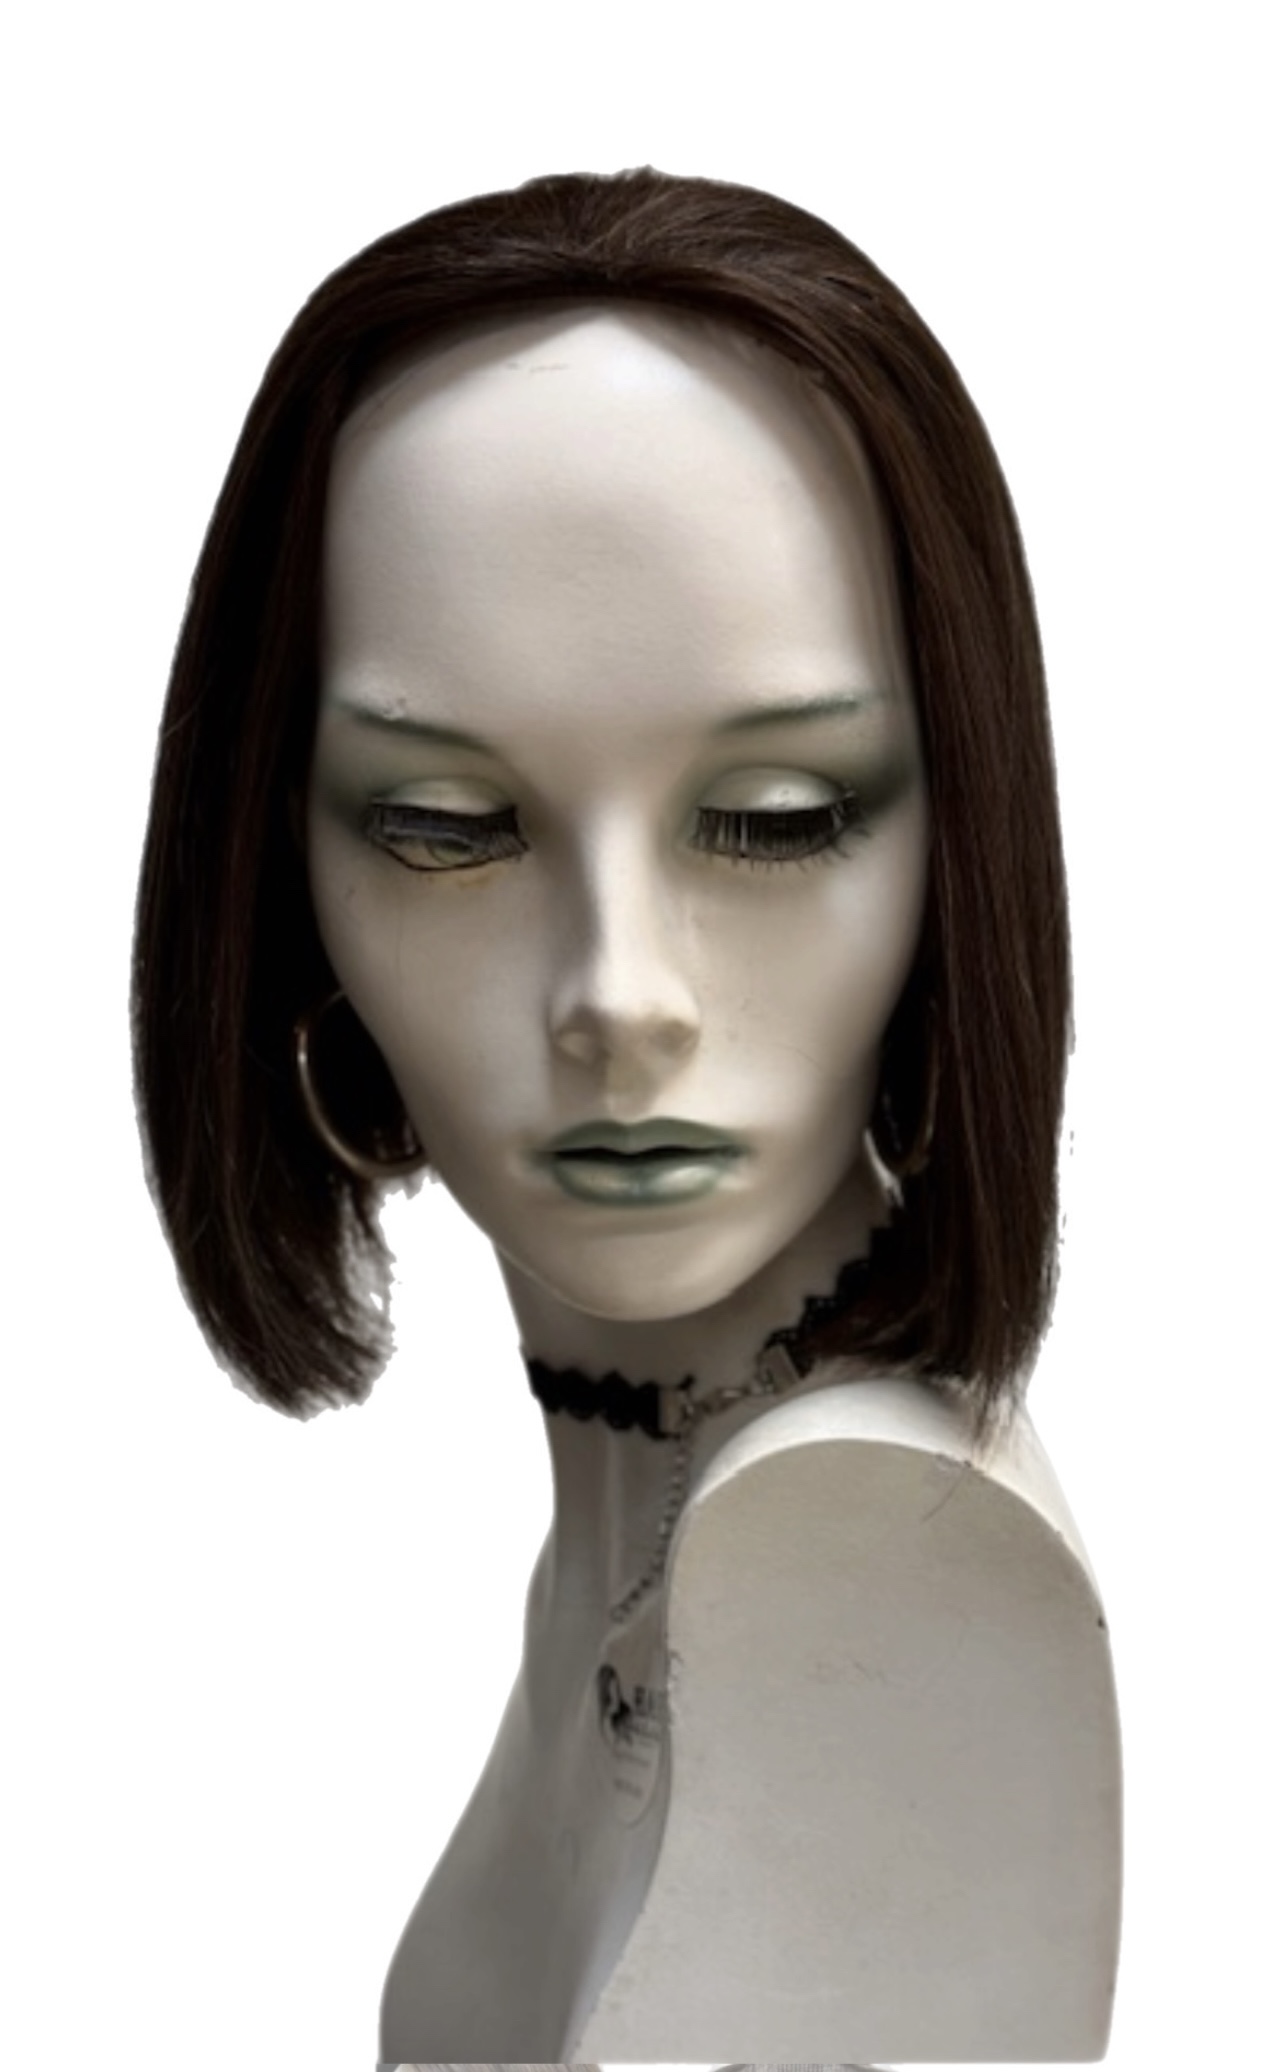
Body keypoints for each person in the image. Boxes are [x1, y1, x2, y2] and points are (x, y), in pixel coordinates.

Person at [133, 171, 1100, 2062]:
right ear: (279, 869)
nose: (620, 995)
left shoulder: (871, 1561)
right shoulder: (649, 1515)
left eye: (774, 822)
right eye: (447, 828)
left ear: (956, 845)